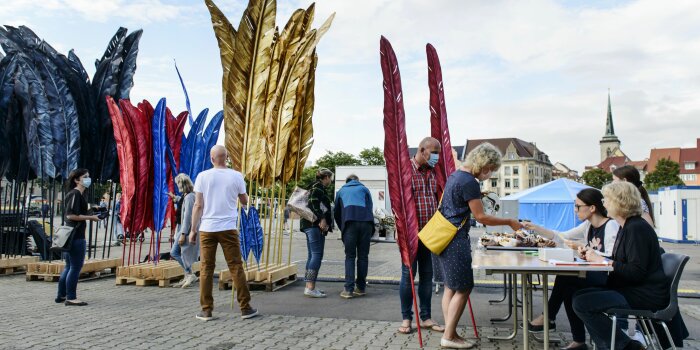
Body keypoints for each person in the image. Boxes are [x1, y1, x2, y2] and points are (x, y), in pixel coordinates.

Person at [437, 143, 523, 349]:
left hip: (443, 237)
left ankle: (451, 332)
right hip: (456, 239)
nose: (490, 173)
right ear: (484, 165)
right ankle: (449, 337)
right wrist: (509, 222)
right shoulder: (469, 182)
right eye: (491, 169)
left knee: (450, 287)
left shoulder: (455, 176)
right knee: (465, 287)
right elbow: (481, 216)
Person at [573, 182, 668, 350]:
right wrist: (594, 257)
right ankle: (617, 345)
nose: (604, 203)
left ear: (619, 202)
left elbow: (635, 272)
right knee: (578, 295)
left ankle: (626, 346)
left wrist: (603, 261)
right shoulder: (629, 226)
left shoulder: (635, 228)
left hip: (643, 294)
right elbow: (623, 262)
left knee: (582, 302)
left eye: (607, 199)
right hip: (634, 289)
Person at [523, 188, 620, 350]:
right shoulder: (588, 225)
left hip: (608, 277)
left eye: (578, 206)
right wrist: (535, 227)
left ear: (592, 208)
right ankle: (578, 341)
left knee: (567, 277)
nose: (575, 210)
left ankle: (549, 317)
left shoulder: (611, 226)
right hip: (595, 274)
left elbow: (611, 257)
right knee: (568, 286)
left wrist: (584, 248)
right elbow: (561, 236)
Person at [189, 145, 258, 321]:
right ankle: (245, 308)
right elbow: (244, 201)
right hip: (228, 227)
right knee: (236, 267)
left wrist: (192, 230)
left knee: (206, 269)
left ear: (212, 159)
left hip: (207, 228)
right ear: (226, 157)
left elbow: (198, 205)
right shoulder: (236, 176)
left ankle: (206, 310)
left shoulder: (202, 176)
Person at [398, 137, 444, 335]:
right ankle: (406, 318)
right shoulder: (405, 170)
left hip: (430, 233)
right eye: (434, 152)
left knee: (427, 276)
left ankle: (425, 317)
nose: (437, 157)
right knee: (408, 276)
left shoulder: (434, 173)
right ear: (422, 150)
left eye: (438, 153)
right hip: (410, 233)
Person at [56, 168, 100, 306]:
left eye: (88, 176)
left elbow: (77, 212)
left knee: (69, 267)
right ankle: (71, 297)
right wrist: (91, 217)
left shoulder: (76, 194)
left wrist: (93, 210)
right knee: (75, 267)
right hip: (76, 236)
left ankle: (61, 295)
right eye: (85, 177)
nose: (88, 179)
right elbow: (70, 215)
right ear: (77, 180)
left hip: (72, 235)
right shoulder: (75, 194)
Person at [334, 174, 374, 299]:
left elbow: (336, 212)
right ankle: (361, 288)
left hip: (349, 224)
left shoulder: (341, 191)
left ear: (347, 182)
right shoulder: (364, 189)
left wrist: (343, 229)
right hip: (366, 224)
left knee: (350, 256)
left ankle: (348, 290)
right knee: (363, 256)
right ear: (357, 181)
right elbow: (370, 207)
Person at [299, 168, 334, 298]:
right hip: (314, 225)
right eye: (330, 178)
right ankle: (310, 287)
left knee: (312, 255)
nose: (331, 180)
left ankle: (309, 286)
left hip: (309, 225)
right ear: (325, 177)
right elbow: (313, 202)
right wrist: (322, 218)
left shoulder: (312, 186)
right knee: (316, 255)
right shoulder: (318, 188)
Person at [170, 174, 199, 288]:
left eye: (178, 184)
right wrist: (175, 198)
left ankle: (190, 274)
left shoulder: (190, 197)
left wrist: (183, 234)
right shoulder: (187, 196)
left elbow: (188, 216)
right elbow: (182, 201)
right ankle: (188, 274)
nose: (177, 186)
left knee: (175, 252)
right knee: (177, 252)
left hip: (185, 229)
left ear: (183, 184)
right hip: (183, 228)